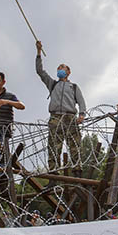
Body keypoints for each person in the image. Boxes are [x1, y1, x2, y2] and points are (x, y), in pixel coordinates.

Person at [35, 41, 87, 177]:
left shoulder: (74, 87)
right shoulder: (52, 84)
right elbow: (40, 72)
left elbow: (81, 101)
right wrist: (39, 52)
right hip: (55, 118)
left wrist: (82, 115)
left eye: (62, 68)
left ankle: (77, 172)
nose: (60, 70)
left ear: (68, 72)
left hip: (70, 118)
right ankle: (53, 174)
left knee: (75, 145)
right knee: (53, 147)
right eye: (58, 68)